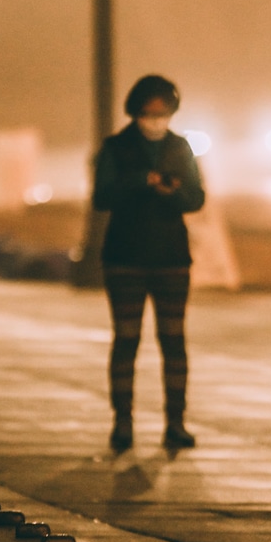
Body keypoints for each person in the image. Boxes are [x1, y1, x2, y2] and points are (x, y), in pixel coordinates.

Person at [91, 73, 205, 454]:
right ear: (136, 112)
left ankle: (176, 422)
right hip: (125, 256)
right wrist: (142, 180)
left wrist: (171, 191)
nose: (156, 120)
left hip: (171, 257)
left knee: (174, 341)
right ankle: (122, 422)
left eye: (163, 113)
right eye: (148, 113)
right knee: (127, 340)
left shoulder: (180, 147)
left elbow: (195, 198)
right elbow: (102, 196)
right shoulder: (116, 147)